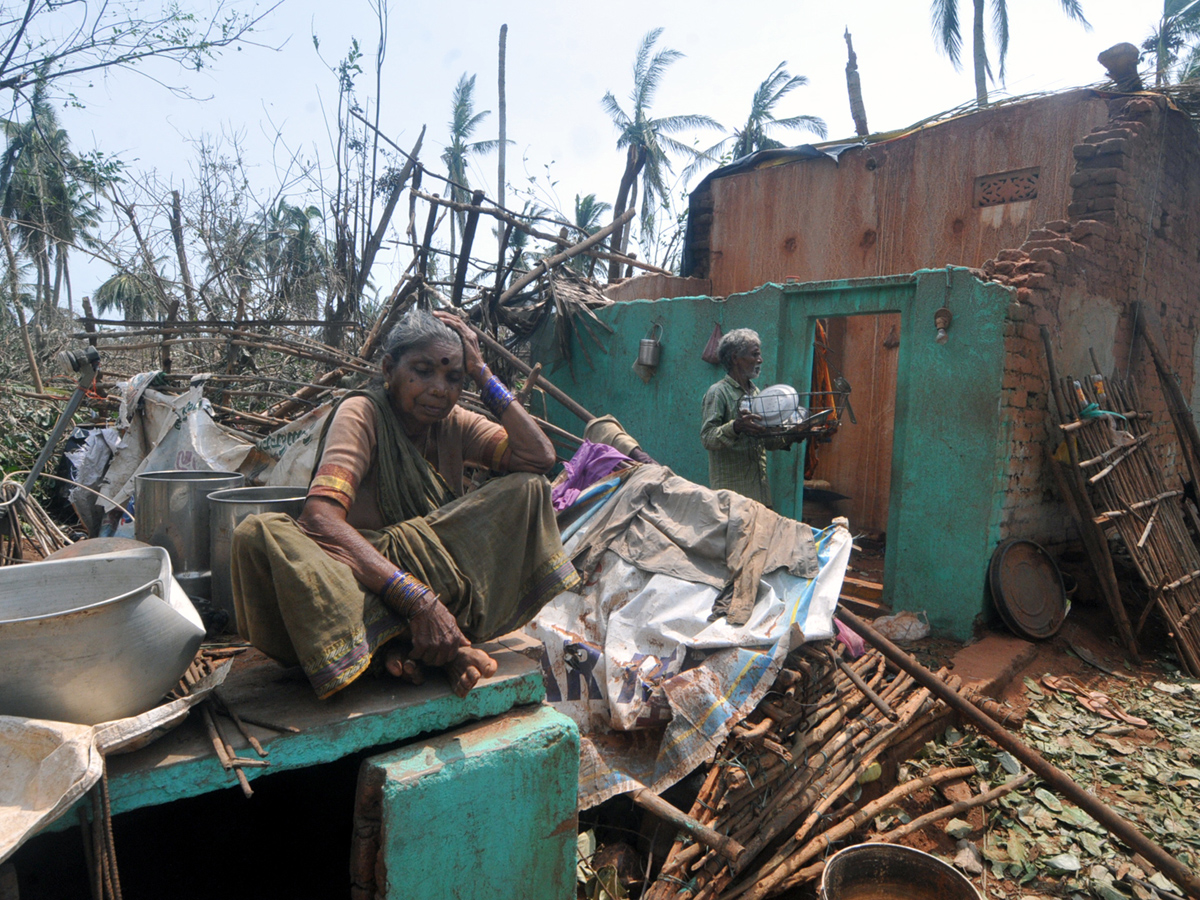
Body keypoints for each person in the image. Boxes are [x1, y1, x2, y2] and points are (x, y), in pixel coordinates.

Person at [231, 309, 581, 700]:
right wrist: (416, 600)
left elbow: (539, 458)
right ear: (388, 369)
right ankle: (428, 646)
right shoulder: (362, 413)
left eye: (453, 378)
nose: (439, 389)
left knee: (528, 489)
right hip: (364, 582)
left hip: (438, 583)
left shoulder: (454, 423)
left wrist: (482, 371)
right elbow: (319, 518)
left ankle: (411, 646)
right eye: (422, 370)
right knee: (256, 536)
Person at [700, 328, 799, 507]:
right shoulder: (718, 392)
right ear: (735, 358)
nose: (760, 360)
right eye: (755, 355)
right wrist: (736, 427)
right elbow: (707, 438)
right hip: (731, 499)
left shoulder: (756, 393)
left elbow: (766, 442)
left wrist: (794, 433)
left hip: (759, 495)